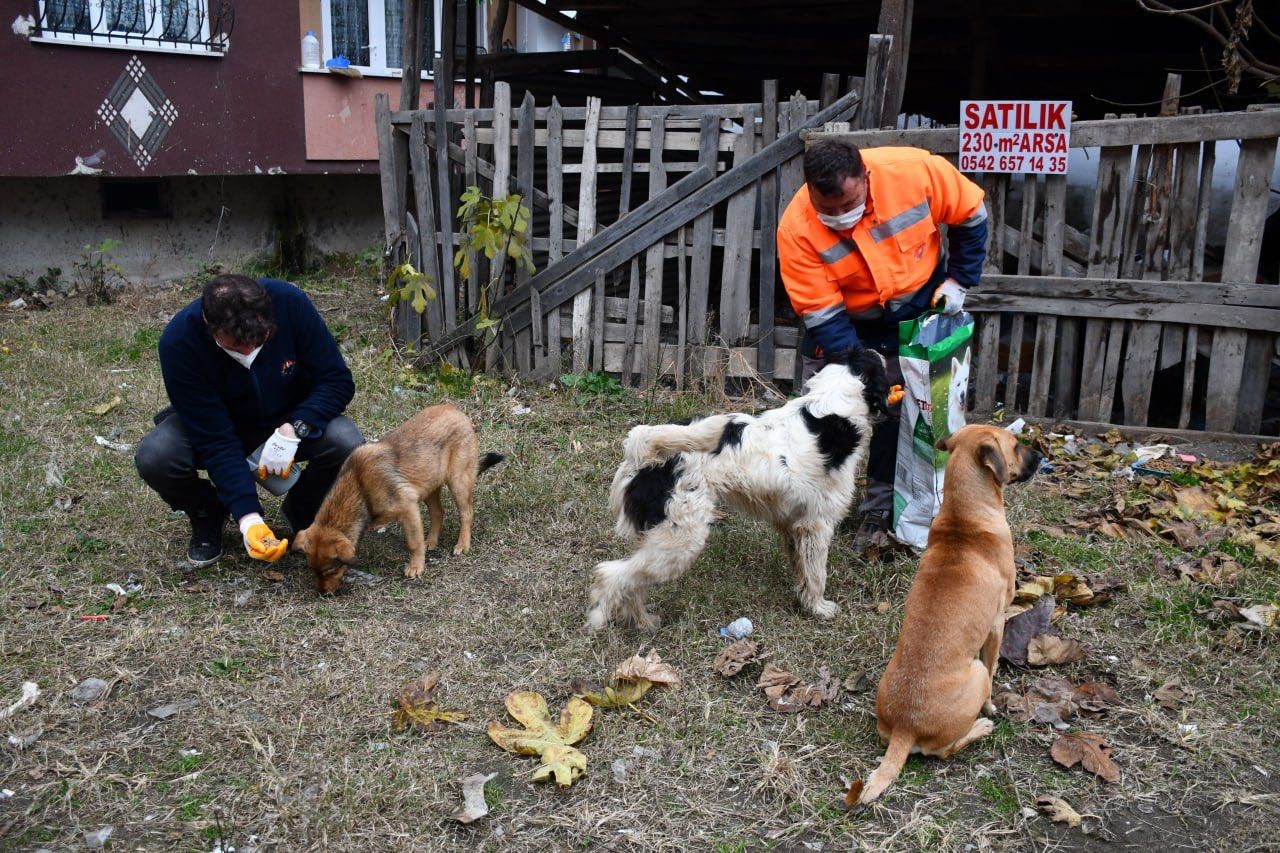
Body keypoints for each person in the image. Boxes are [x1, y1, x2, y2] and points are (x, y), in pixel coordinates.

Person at [777, 140, 988, 554]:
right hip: (846, 321)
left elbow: (971, 214)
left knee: (904, 412)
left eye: (849, 204)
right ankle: (810, 505)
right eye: (829, 210)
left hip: (917, 303)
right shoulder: (796, 227)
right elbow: (821, 313)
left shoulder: (915, 173)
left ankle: (880, 508)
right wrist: (864, 370)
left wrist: (959, 279)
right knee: (827, 410)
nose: (839, 217)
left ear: (866, 178)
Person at [135, 274, 363, 566]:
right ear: (211, 329)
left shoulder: (290, 303)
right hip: (218, 420)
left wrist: (296, 427)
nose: (248, 353)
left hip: (287, 414)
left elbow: (337, 380)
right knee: (157, 455)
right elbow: (215, 438)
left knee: (346, 441)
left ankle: (304, 507)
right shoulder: (179, 342)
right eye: (236, 347)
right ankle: (208, 511)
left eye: (258, 342)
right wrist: (248, 516)